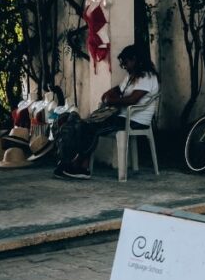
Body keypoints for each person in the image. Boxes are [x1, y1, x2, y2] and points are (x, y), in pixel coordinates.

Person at [54, 44, 159, 179]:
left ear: (135, 59)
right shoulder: (132, 77)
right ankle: (77, 162)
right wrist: (108, 95)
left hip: (135, 120)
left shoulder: (147, 77)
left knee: (91, 126)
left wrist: (111, 101)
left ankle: (82, 166)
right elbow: (118, 90)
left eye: (125, 62)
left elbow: (133, 99)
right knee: (85, 124)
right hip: (122, 117)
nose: (124, 66)